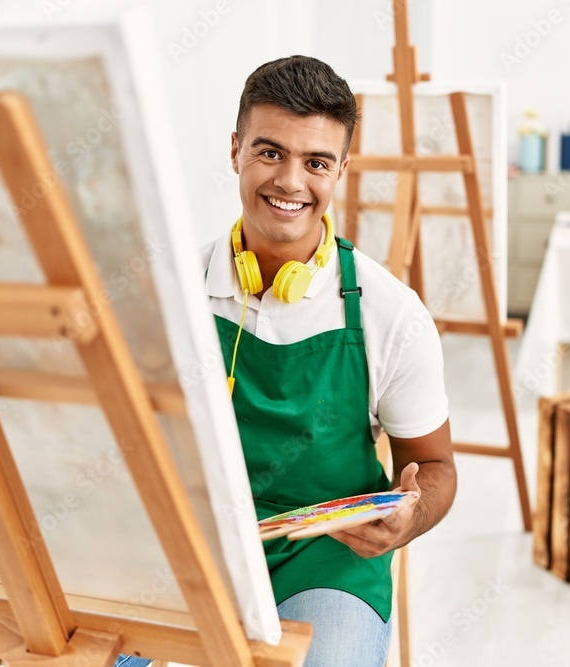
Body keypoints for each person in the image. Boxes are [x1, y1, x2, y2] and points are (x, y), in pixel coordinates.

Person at [115, 55, 455, 667]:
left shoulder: (392, 314)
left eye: (316, 162)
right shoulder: (169, 291)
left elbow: (433, 466)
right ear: (236, 150)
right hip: (189, 546)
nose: (291, 182)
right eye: (270, 153)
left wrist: (410, 516)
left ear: (341, 170)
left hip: (326, 559)